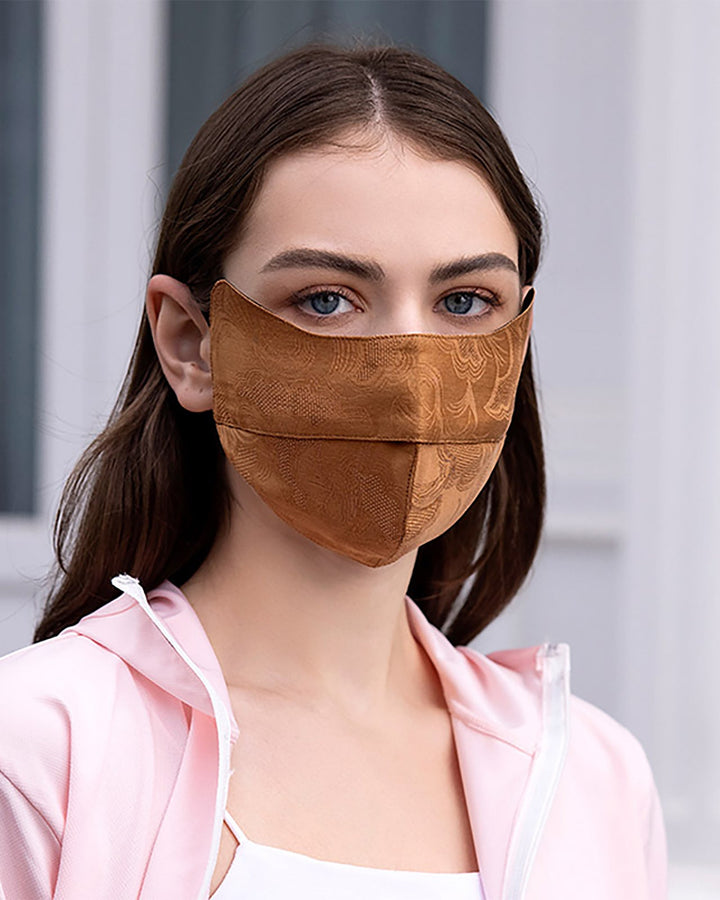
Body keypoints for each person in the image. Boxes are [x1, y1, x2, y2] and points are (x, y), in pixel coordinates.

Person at [0, 43, 666, 899]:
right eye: (327, 299)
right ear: (190, 344)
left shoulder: (596, 780)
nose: (409, 369)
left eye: (464, 303)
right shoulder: (37, 751)